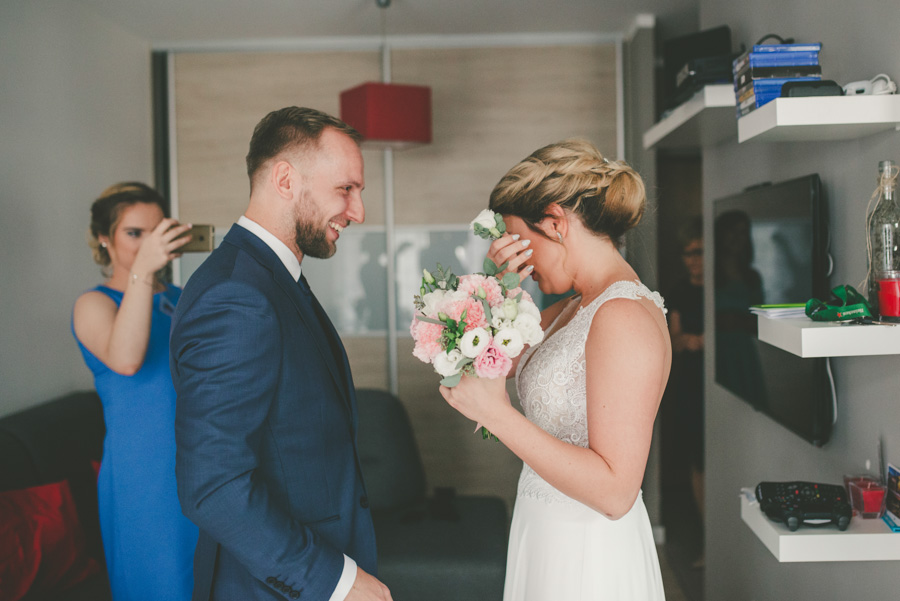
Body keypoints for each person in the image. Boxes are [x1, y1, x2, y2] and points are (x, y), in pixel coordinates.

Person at [170, 107, 390, 601]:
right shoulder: (237, 297)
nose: (358, 212)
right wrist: (334, 582)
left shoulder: (270, 279)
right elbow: (212, 485)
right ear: (286, 180)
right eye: (345, 189)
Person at [440, 139, 670, 600]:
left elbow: (615, 493)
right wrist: (498, 285)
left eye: (515, 240)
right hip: (544, 529)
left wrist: (499, 416)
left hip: (587, 550)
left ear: (554, 222)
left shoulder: (623, 316)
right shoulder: (570, 308)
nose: (516, 258)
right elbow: (482, 361)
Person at [71, 182, 198, 600]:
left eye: (155, 230)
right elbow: (126, 360)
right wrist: (143, 272)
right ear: (104, 239)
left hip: (203, 460)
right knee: (163, 585)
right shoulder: (94, 303)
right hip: (145, 472)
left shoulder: (184, 297)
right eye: (133, 233)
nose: (147, 242)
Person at [665, 218, 705, 568]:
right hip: (692, 379)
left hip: (727, 375)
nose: (693, 259)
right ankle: (707, 538)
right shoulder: (678, 291)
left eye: (699, 252)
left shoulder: (724, 287)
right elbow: (673, 340)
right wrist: (690, 341)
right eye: (688, 253)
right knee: (698, 458)